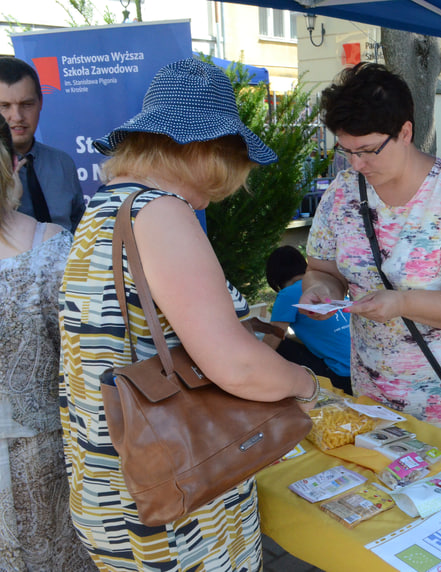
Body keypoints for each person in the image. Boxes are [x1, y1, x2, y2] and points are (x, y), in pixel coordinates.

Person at [58, 59, 319, 570]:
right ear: (210, 151)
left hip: (120, 485)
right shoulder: (160, 213)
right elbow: (236, 365)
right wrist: (305, 382)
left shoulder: (108, 207)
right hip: (179, 500)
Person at [301, 62, 441, 435]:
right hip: (369, 396)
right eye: (346, 151)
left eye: (367, 150)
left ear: (405, 131)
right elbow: (322, 269)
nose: (356, 164)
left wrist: (402, 303)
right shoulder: (343, 192)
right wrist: (319, 291)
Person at [0, 115, 95, 570]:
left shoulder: (51, 245)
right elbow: (83, 360)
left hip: (41, 453)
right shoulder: (51, 245)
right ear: (13, 167)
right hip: (45, 453)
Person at [0, 57, 86, 232]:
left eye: (26, 104)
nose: (17, 116)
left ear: (40, 103)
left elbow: (80, 231)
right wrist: (8, 206)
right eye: (4, 106)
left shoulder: (62, 163)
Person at [266, 245, 352, 394]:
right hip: (362, 370)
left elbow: (273, 338)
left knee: (280, 345)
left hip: (340, 376)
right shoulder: (326, 287)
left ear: (274, 277)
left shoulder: (287, 294)